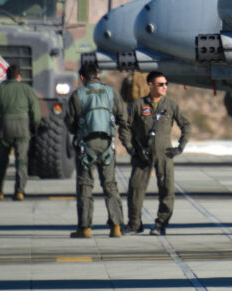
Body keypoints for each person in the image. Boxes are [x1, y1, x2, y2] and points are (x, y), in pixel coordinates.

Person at [120, 71, 191, 236]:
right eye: (161, 84)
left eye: (166, 84)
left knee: (167, 190)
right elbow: (125, 128)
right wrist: (131, 149)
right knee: (136, 189)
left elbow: (186, 126)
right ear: (150, 85)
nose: (165, 87)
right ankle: (134, 224)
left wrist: (180, 147)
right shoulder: (138, 105)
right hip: (142, 154)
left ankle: (161, 224)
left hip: (164, 153)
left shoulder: (171, 105)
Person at [66, 61, 128, 238]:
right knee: (110, 184)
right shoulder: (111, 92)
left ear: (83, 78)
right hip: (107, 144)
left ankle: (85, 228)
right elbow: (123, 116)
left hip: (87, 145)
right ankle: (116, 226)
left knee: (85, 185)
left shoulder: (78, 95)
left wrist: (78, 132)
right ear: (98, 75)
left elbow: (70, 123)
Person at [0, 64, 41, 200]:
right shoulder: (27, 90)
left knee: (1, 162)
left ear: (7, 76)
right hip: (22, 128)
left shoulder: (1, 90)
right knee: (21, 162)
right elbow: (36, 112)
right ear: (19, 76)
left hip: (5, 128)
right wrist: (34, 126)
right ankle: (19, 191)